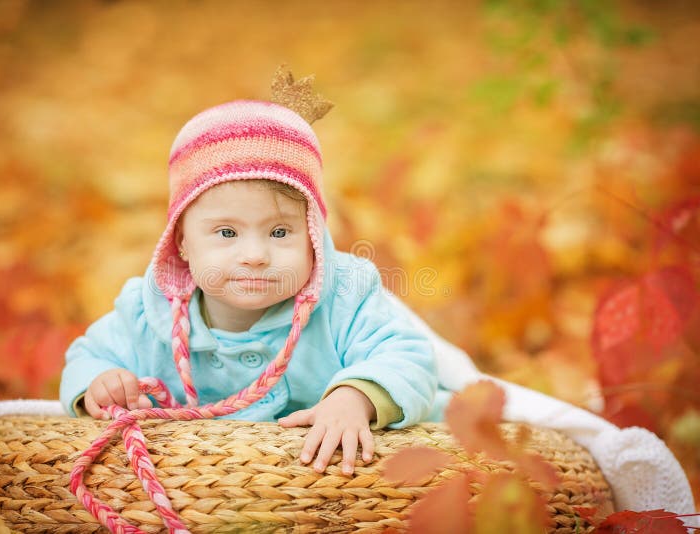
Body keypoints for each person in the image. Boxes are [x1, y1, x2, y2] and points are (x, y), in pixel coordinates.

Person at [59, 99, 448, 476]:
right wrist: (100, 383)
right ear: (181, 240)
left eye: (280, 232)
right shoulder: (150, 312)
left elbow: (408, 354)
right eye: (226, 232)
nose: (255, 255)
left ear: (313, 235)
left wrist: (356, 398)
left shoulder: (345, 297)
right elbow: (88, 356)